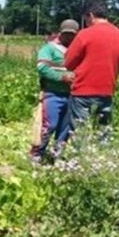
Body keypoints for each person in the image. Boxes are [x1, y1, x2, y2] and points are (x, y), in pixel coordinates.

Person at [64, 1, 119, 132]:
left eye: (85, 18)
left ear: (91, 15)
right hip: (107, 91)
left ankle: (81, 153)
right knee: (103, 133)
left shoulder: (85, 34)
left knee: (80, 133)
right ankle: (103, 153)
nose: (86, 22)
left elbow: (68, 63)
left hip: (83, 91)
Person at [29, 19, 79, 163]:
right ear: (60, 33)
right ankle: (37, 153)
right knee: (49, 124)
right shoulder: (49, 49)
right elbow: (42, 68)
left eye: (72, 35)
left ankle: (57, 155)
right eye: (66, 34)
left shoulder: (77, 49)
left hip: (71, 95)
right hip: (52, 93)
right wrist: (61, 77)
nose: (69, 38)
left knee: (66, 127)